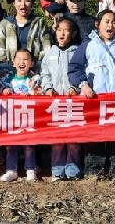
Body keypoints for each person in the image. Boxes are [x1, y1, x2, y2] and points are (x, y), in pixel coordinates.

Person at [69, 10, 115, 180]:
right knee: (94, 133)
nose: (110, 25)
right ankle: (93, 170)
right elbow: (74, 68)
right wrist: (83, 86)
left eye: (114, 22)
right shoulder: (88, 45)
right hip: (95, 98)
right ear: (97, 24)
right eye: (106, 21)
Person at [39, 16, 82, 181]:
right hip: (56, 103)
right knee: (57, 139)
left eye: (66, 30)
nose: (62, 34)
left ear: (73, 33)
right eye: (59, 30)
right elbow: (44, 74)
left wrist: (75, 87)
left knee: (73, 139)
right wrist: (48, 88)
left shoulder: (78, 52)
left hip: (73, 102)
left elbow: (82, 72)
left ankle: (73, 170)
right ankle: (57, 170)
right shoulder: (49, 53)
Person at [0, 49, 42, 183]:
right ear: (13, 62)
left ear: (31, 63)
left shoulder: (34, 80)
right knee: (11, 144)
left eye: (26, 59)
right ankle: (11, 170)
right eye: (19, 59)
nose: (22, 62)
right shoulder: (8, 79)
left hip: (28, 118)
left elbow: (39, 95)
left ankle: (30, 169)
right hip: (12, 118)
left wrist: (35, 92)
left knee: (29, 144)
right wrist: (4, 90)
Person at [0, 0, 53, 78]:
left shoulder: (40, 23)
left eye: (27, 1)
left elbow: (46, 52)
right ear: (14, 3)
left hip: (35, 75)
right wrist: (15, 72)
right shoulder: (5, 24)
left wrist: (33, 72)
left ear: (32, 3)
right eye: (19, 1)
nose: (23, 4)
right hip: (9, 76)